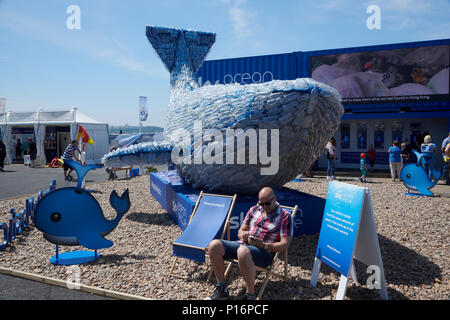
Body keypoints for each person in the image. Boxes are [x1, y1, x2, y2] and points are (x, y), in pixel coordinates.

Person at [206, 187, 293, 300]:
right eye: (261, 204)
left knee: (242, 251)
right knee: (214, 245)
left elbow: (284, 245)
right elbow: (241, 231)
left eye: (267, 203)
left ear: (275, 198)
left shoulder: (285, 217)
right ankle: (221, 288)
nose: (264, 207)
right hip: (245, 244)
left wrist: (263, 245)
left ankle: (250, 295)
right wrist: (244, 235)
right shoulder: (254, 209)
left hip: (264, 252)